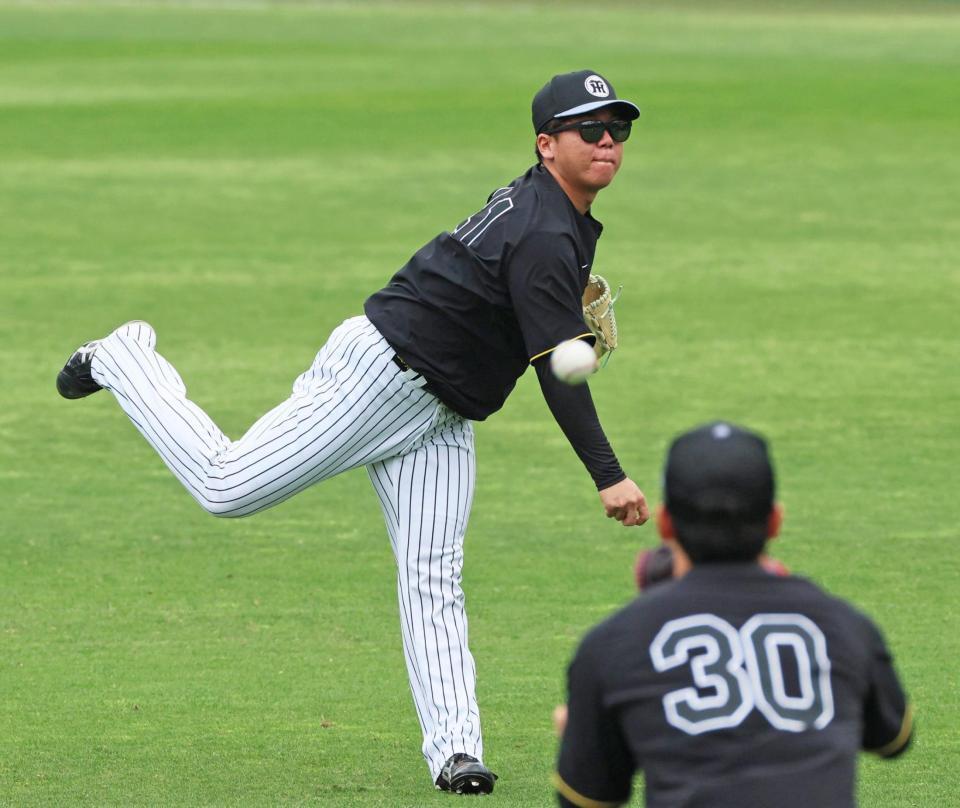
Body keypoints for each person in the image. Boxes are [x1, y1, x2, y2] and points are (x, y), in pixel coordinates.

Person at [55, 69, 649, 795]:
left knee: (434, 578)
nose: (608, 141)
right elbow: (559, 367)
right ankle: (125, 357)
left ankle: (457, 751)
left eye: (617, 128)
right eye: (590, 129)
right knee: (225, 486)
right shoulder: (545, 231)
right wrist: (608, 473)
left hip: (443, 411)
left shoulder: (555, 213)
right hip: (380, 377)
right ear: (547, 144)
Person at [554, 422, 912, 808]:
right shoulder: (842, 625)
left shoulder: (613, 644)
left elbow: (586, 798)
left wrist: (581, 737)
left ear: (665, 524)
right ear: (775, 520)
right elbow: (893, 739)